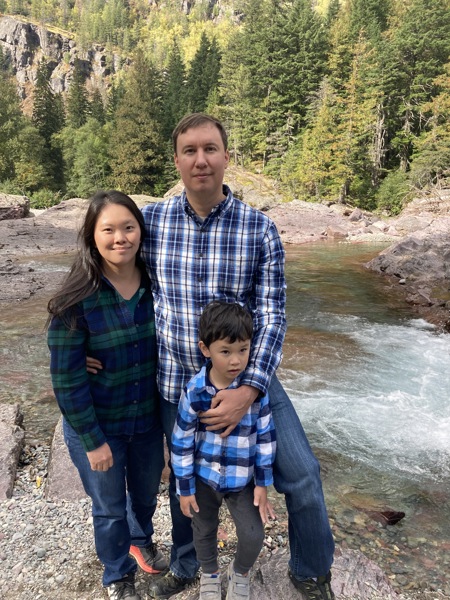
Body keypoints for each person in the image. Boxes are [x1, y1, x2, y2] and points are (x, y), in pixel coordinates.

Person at [88, 113, 335, 600]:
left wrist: (248, 390)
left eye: (209, 149)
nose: (200, 160)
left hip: (248, 379)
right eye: (189, 151)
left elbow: (273, 315)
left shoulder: (259, 229)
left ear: (226, 156)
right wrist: (86, 344)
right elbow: (106, 270)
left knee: (302, 474)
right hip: (176, 385)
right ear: (176, 160)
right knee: (188, 479)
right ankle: (187, 567)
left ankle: (311, 573)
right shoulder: (152, 222)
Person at [47, 191, 168, 600]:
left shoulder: (157, 284)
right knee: (109, 506)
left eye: (129, 227)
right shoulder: (76, 299)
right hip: (99, 425)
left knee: (147, 494)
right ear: (92, 236)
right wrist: (93, 441)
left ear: (141, 231)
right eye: (109, 229)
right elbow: (64, 380)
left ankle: (140, 538)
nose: (121, 237)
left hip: (147, 421)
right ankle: (117, 577)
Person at [172, 301, 276, 600]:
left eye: (243, 350)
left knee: (254, 534)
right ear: (205, 349)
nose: (236, 360)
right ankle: (210, 573)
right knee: (203, 530)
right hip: (204, 479)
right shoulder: (194, 392)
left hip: (242, 481)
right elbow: (182, 442)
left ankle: (239, 572)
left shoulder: (254, 394)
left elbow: (266, 437)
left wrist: (263, 483)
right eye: (226, 351)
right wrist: (185, 487)